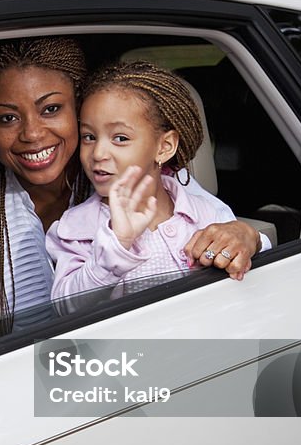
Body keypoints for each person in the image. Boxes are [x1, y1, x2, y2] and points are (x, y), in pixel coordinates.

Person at [0, 37, 268, 326]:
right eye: (7, 118)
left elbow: (223, 227)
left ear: (79, 108)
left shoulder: (151, 180)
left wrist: (245, 235)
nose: (32, 134)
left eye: (51, 109)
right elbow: (65, 304)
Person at [49, 60, 242, 300]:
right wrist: (118, 245)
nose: (98, 153)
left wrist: (244, 243)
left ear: (164, 147)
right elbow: (66, 306)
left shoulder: (207, 213)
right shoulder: (75, 228)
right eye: (89, 136)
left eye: (120, 138)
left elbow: (249, 263)